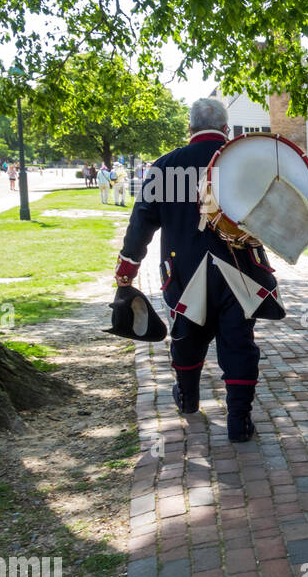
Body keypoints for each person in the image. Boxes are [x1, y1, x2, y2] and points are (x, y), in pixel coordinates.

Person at [114, 97, 285, 442]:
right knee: (238, 345)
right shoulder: (248, 164)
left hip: (184, 270)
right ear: (225, 129)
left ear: (189, 128)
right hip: (241, 273)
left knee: (186, 339)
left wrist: (127, 267)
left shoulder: (164, 167)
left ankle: (188, 399)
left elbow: (142, 222)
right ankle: (239, 420)